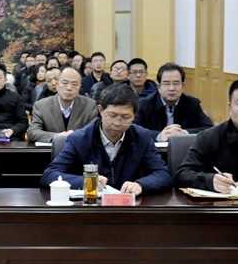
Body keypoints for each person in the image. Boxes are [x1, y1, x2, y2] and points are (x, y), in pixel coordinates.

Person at [42, 83, 172, 195]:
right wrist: (86, 181)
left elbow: (163, 174)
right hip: (92, 206)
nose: (117, 123)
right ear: (100, 110)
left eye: (125, 117)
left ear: (134, 115)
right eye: (112, 115)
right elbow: (50, 175)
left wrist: (141, 184)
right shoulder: (80, 139)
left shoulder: (142, 137)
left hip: (129, 206)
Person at [134, 63, 213, 141]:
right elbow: (133, 129)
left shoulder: (192, 104)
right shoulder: (144, 104)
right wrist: (159, 136)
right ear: (159, 87)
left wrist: (184, 133)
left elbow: (209, 128)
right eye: (166, 84)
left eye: (176, 83)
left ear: (183, 86)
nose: (171, 88)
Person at [27, 67, 100, 143]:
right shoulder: (41, 106)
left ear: (80, 87)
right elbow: (32, 132)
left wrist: (74, 136)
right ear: (57, 85)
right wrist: (57, 137)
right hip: (50, 149)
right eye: (64, 83)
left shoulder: (89, 105)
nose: (69, 88)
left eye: (74, 84)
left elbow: (95, 132)